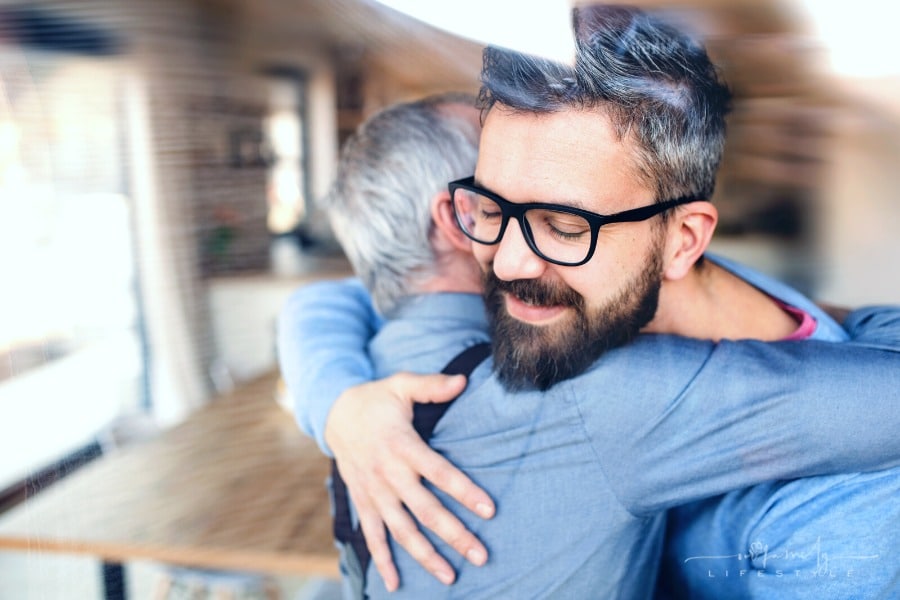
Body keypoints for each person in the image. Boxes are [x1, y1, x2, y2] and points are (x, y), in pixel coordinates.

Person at [278, 6, 900, 599]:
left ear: (683, 242)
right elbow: (338, 296)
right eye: (488, 209)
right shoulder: (561, 324)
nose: (509, 262)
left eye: (565, 227)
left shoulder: (840, 515)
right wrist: (336, 403)